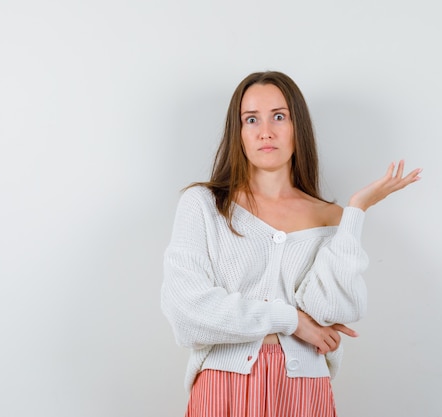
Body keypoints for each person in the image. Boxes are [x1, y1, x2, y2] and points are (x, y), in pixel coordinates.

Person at [161, 71, 421, 417]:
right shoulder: (203, 205)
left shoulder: (330, 217)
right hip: (222, 387)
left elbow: (332, 309)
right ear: (237, 132)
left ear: (298, 127)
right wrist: (291, 320)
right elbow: (187, 313)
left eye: (279, 117)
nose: (265, 131)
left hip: (304, 389)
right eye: (251, 119)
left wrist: (355, 212)